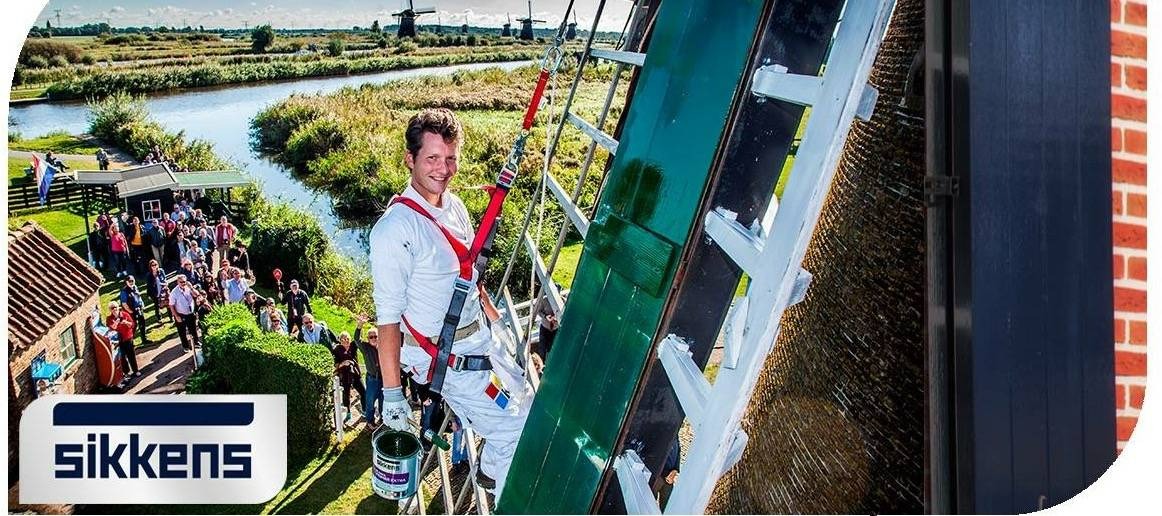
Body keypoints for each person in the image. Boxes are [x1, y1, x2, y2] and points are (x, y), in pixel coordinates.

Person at [369, 108, 533, 499]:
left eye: (450, 158)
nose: (443, 169)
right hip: (451, 358)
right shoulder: (395, 230)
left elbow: (468, 280)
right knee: (512, 427)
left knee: (527, 401)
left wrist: (499, 324)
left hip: (481, 338)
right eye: (432, 158)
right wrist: (393, 396)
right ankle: (502, 493)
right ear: (410, 160)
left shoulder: (454, 206)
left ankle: (492, 471)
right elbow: (388, 320)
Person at [354, 314, 384, 427]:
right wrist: (360, 325)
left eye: (375, 336)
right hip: (372, 379)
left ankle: (382, 419)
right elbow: (356, 339)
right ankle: (370, 421)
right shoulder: (365, 348)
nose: (373, 339)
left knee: (382, 400)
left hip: (383, 379)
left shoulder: (383, 347)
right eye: (371, 337)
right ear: (368, 339)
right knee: (370, 401)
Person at [332, 331, 367, 424]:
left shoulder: (353, 345)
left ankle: (364, 410)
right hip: (345, 375)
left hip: (355, 373)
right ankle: (347, 412)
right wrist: (343, 363)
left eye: (347, 338)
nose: (346, 341)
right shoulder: (337, 349)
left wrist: (360, 326)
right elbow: (335, 364)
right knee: (346, 395)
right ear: (340, 340)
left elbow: (359, 337)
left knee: (363, 392)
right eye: (343, 339)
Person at [106, 301, 140, 377]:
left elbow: (132, 324)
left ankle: (136, 370)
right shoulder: (109, 318)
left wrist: (126, 322)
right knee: (122, 357)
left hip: (128, 338)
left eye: (115, 307)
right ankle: (126, 372)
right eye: (112, 308)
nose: (114, 309)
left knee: (131, 355)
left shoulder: (125, 314)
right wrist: (116, 322)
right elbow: (111, 328)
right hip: (118, 341)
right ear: (110, 310)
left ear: (118, 307)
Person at [168, 274, 201, 352]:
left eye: (184, 282)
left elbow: (197, 295)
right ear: (178, 282)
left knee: (193, 329)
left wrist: (191, 287)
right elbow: (171, 305)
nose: (183, 283)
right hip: (180, 314)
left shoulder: (188, 288)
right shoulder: (174, 292)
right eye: (181, 282)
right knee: (182, 332)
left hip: (190, 313)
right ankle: (185, 346)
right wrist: (176, 316)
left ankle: (196, 342)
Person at [120, 276, 151, 345]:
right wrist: (130, 311)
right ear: (126, 282)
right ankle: (130, 342)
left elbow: (138, 296)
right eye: (129, 281)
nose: (131, 282)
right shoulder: (124, 291)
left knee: (142, 324)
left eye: (132, 281)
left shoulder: (135, 287)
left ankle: (144, 339)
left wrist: (142, 304)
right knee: (133, 326)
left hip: (139, 309)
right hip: (131, 312)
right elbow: (124, 303)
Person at [145, 259, 170, 324]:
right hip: (155, 292)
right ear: (150, 266)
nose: (154, 266)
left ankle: (171, 317)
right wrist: (149, 294)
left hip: (163, 290)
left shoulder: (161, 271)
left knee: (168, 304)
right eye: (152, 265)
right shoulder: (149, 275)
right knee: (157, 306)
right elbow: (149, 286)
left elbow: (165, 279)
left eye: (155, 265)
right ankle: (159, 319)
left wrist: (165, 284)